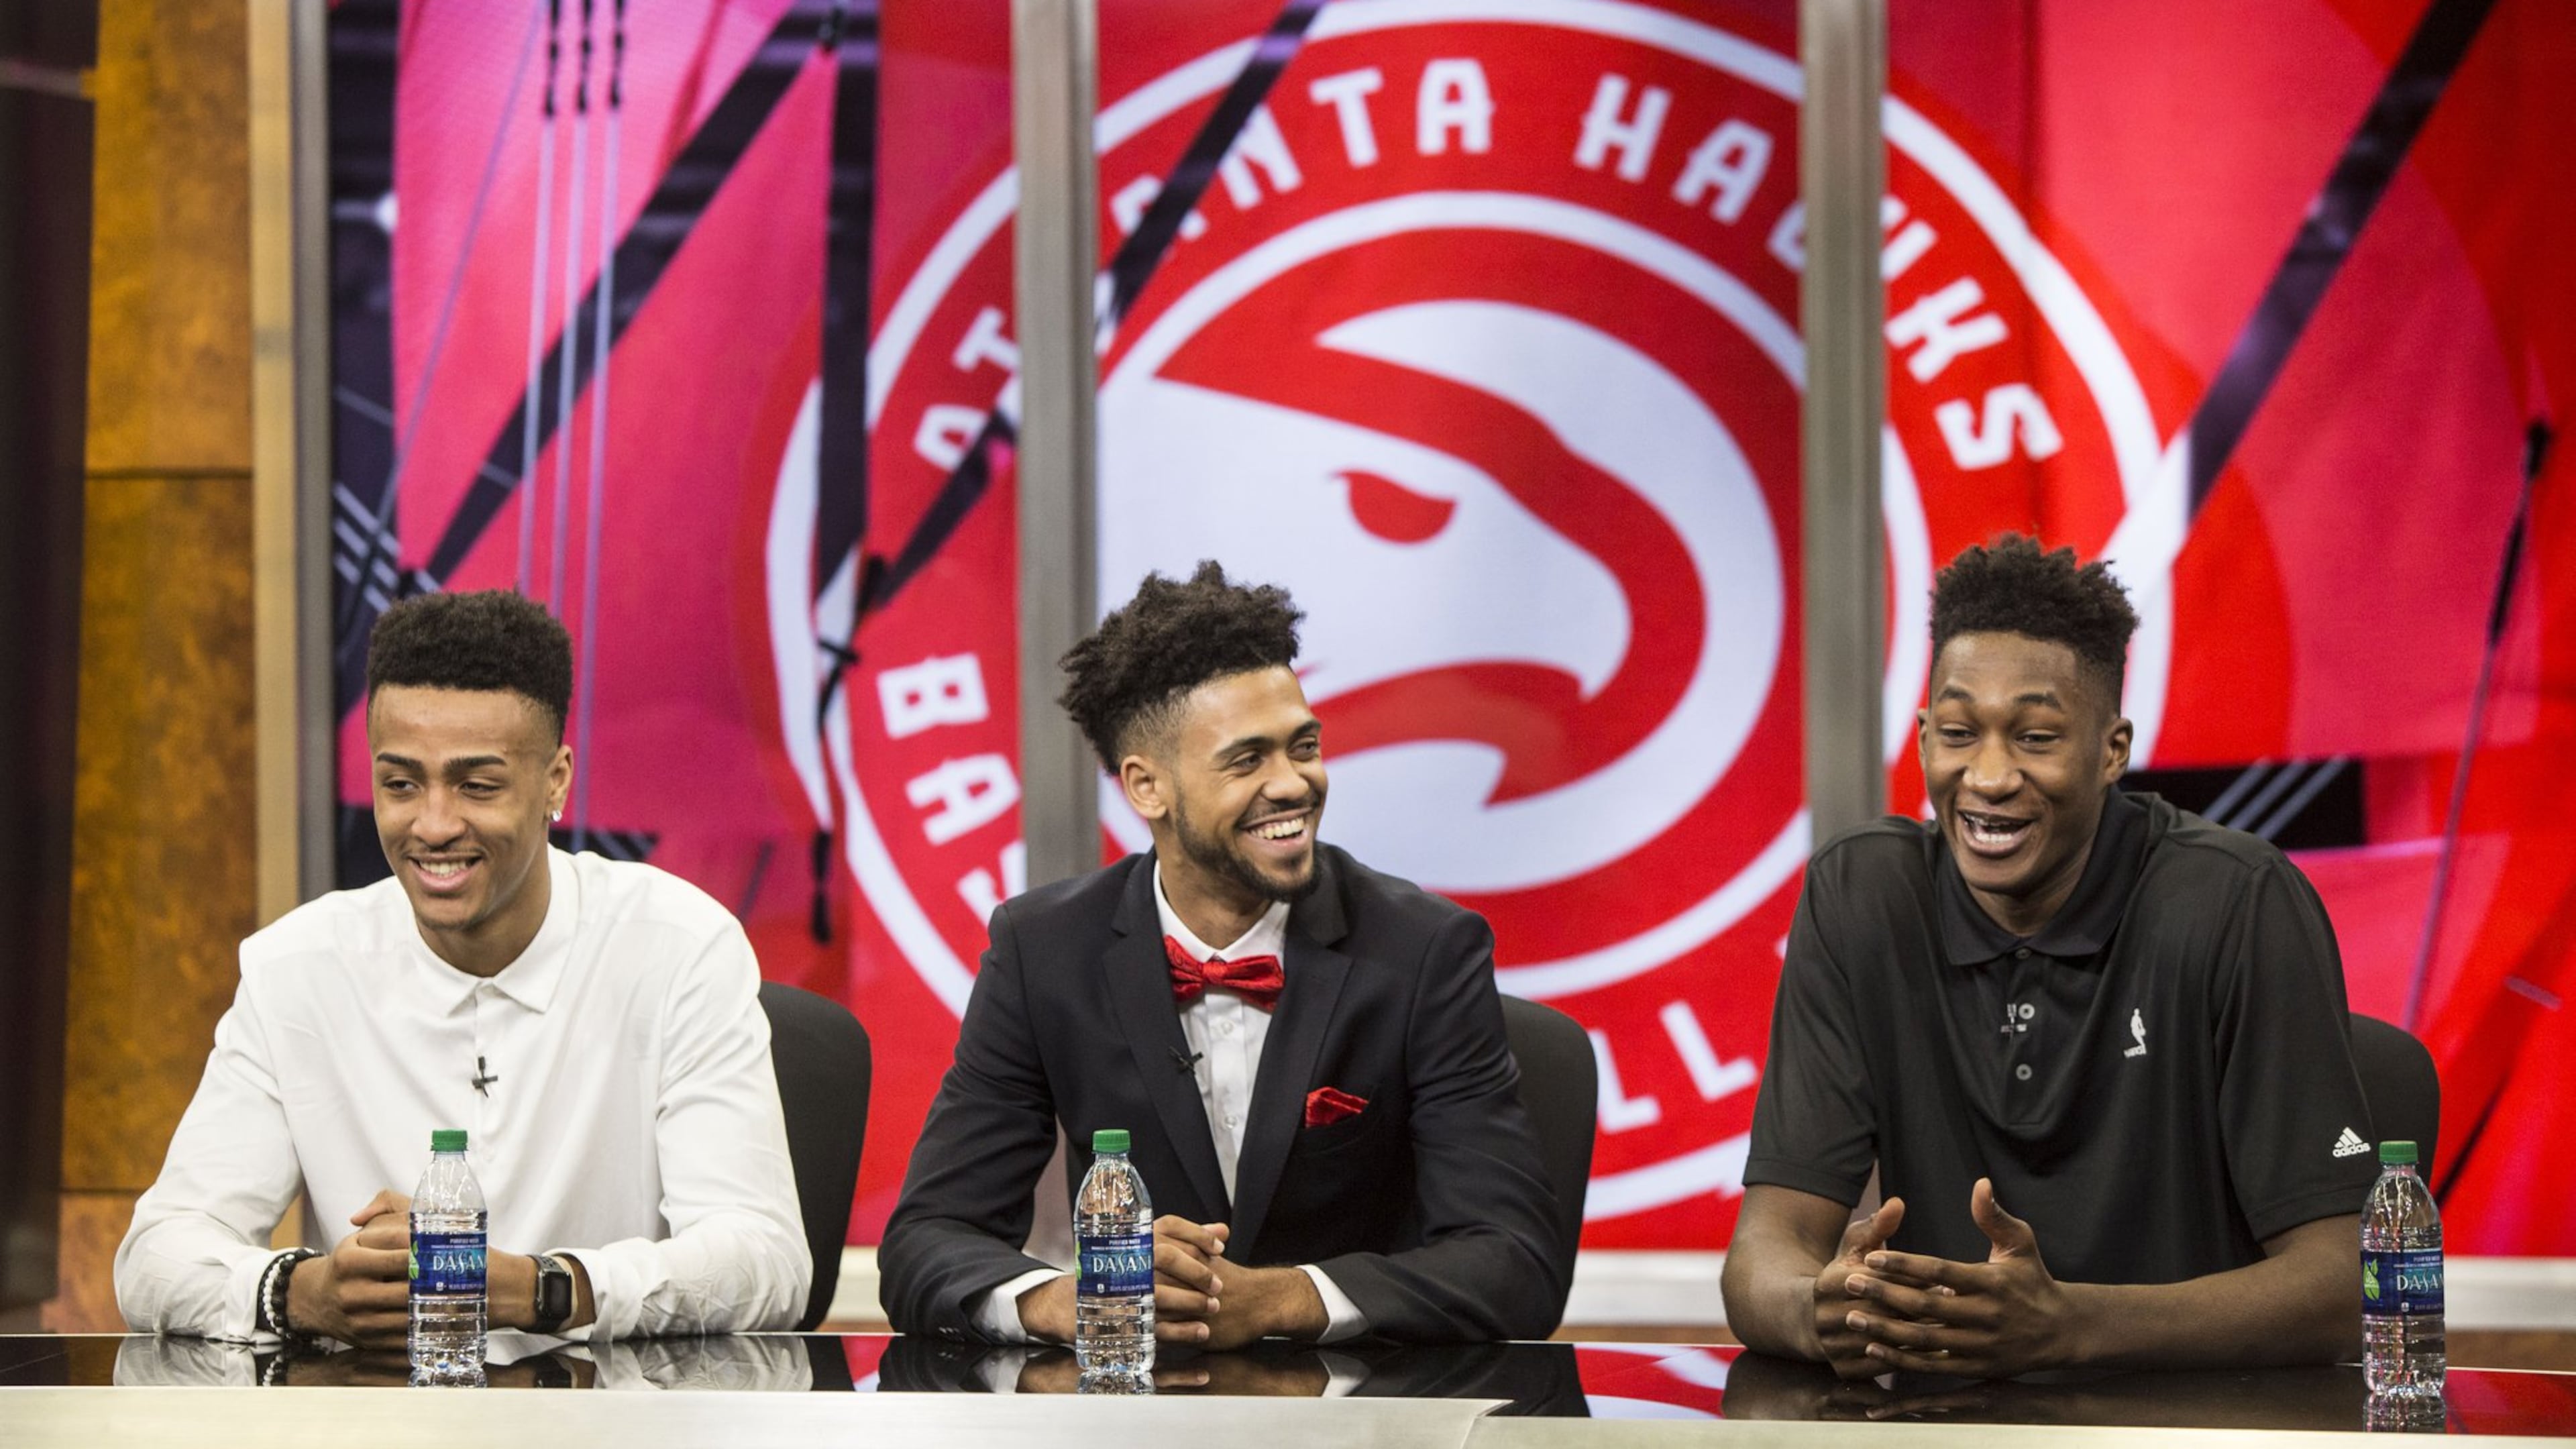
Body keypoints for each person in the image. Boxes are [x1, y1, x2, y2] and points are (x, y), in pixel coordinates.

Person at [1722, 535, 2379, 1378]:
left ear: (2112, 752)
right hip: (1947, 1429)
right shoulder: (1863, 897)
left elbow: (2344, 1284)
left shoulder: (2233, 901)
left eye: (2035, 738)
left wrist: (2066, 1326)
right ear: (1922, 738)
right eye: (1959, 732)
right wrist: (1823, 1310)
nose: (1989, 776)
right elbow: (1762, 1256)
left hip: (2199, 1427)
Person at [877, 561, 1567, 1346]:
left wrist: (1279, 1301)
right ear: (1148, 788)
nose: (1294, 784)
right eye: (1248, 760)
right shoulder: (1043, 951)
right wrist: (1056, 1301)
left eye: (1302, 747)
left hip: (1363, 1419)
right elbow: (924, 1243)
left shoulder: (1424, 951)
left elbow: (1514, 1264)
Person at [116, 590, 808, 1344]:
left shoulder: (680, 949)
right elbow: (155, 1257)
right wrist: (299, 1292)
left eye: (478, 786)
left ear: (555, 782)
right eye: (401, 784)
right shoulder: (296, 968)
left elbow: (763, 1260)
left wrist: (548, 1288)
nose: (435, 825)